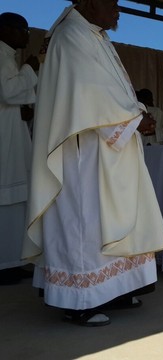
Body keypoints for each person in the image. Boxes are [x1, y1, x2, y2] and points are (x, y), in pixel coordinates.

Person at [24, 0, 163, 326]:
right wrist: (134, 119)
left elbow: (112, 91)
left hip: (107, 149)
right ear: (89, 2)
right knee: (84, 222)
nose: (118, 11)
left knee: (107, 219)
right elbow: (86, 93)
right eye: (112, 3)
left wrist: (136, 115)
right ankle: (80, 300)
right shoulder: (71, 35)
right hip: (82, 152)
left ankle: (112, 290)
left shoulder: (94, 35)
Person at [0, 12, 38, 285]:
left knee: (15, 201)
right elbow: (9, 91)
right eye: (23, 30)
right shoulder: (1, 56)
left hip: (12, 132)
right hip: (5, 140)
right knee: (7, 200)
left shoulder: (7, 56)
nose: (26, 35)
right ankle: (5, 265)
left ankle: (13, 260)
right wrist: (30, 68)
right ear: (6, 30)